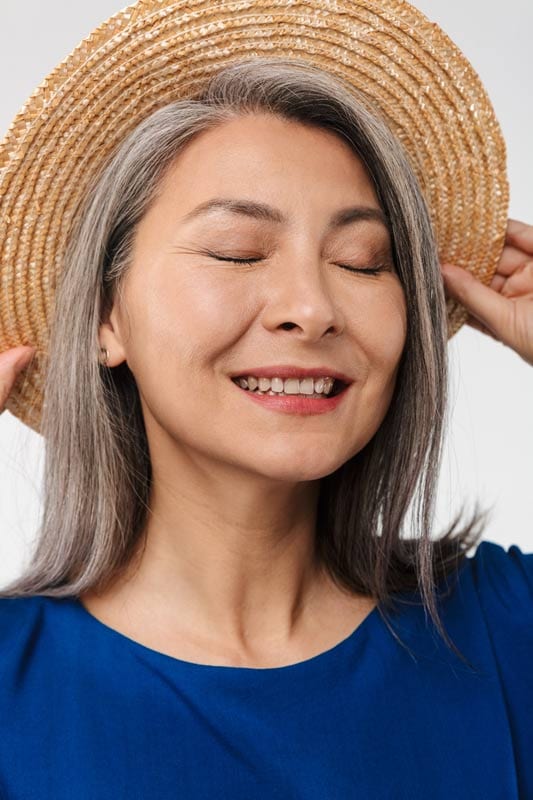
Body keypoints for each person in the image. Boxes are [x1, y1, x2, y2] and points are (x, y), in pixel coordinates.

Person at [0, 2, 531, 798]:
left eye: (361, 260)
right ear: (105, 318)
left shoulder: (504, 629)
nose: (312, 307)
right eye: (238, 251)